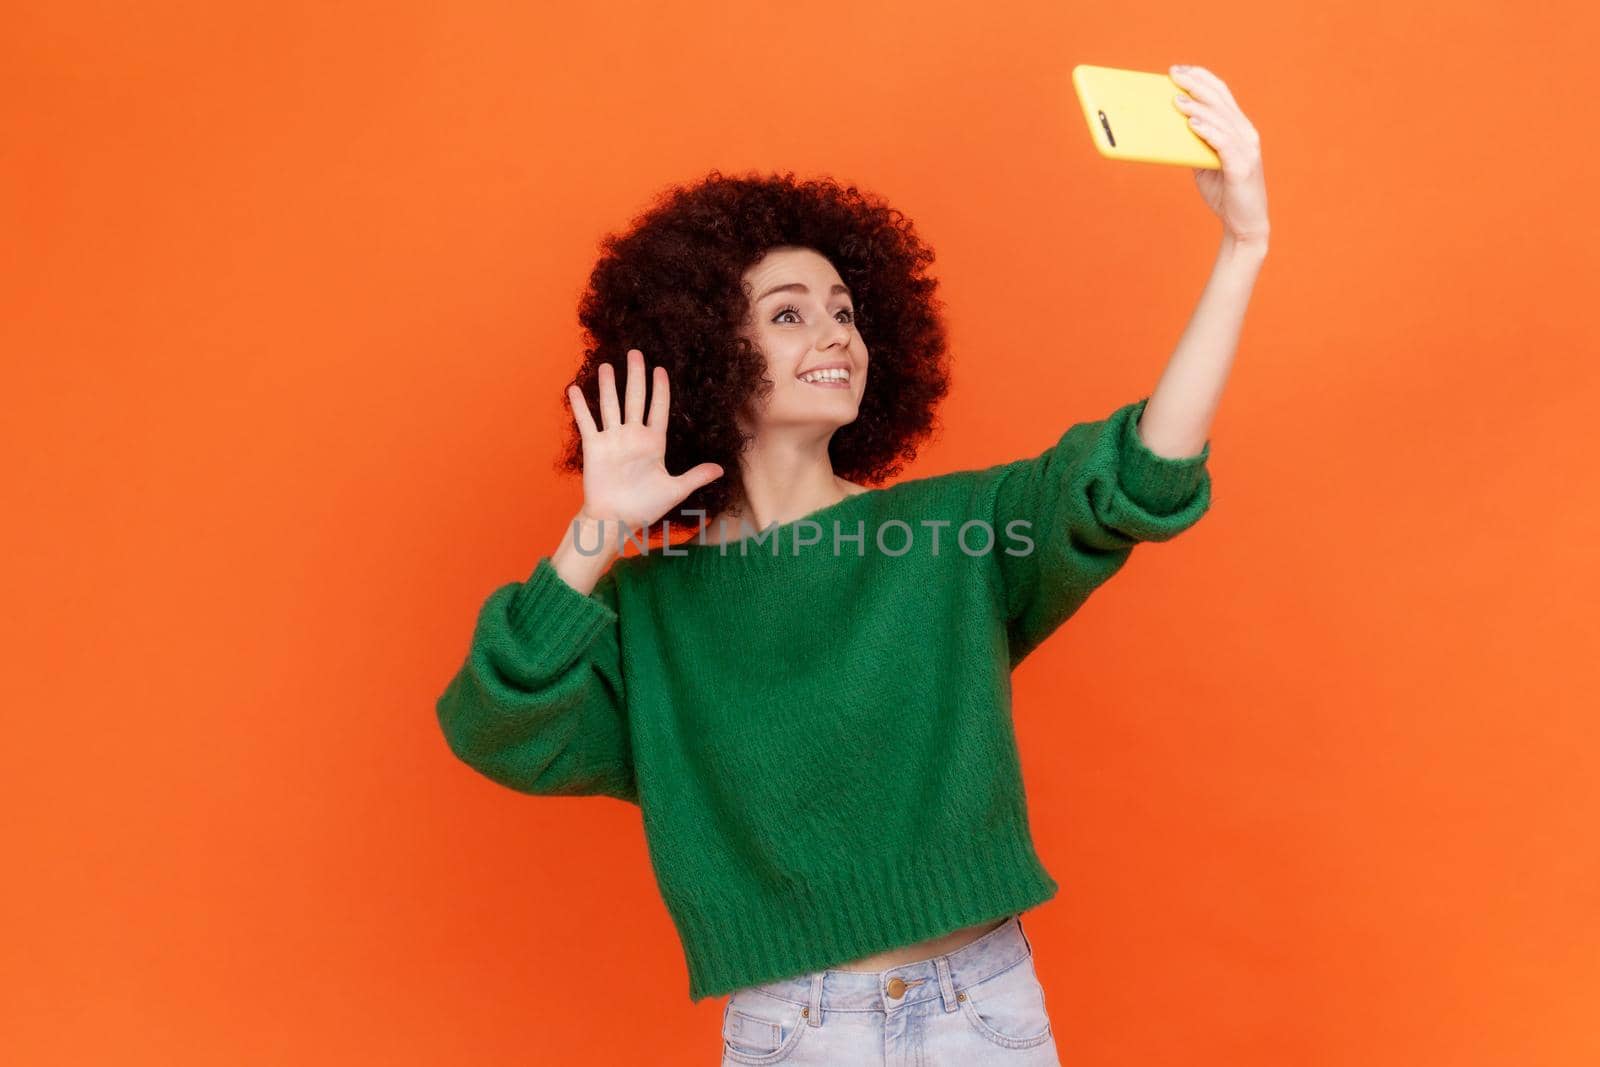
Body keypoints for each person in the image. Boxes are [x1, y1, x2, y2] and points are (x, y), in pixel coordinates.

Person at [435, 65, 1268, 1067]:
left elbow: (1139, 474)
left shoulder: (952, 534)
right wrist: (598, 533)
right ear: (704, 350)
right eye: (788, 314)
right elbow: (491, 725)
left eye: (842, 311)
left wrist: (1241, 247)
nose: (833, 334)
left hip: (985, 1012)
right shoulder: (652, 609)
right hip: (796, 1028)